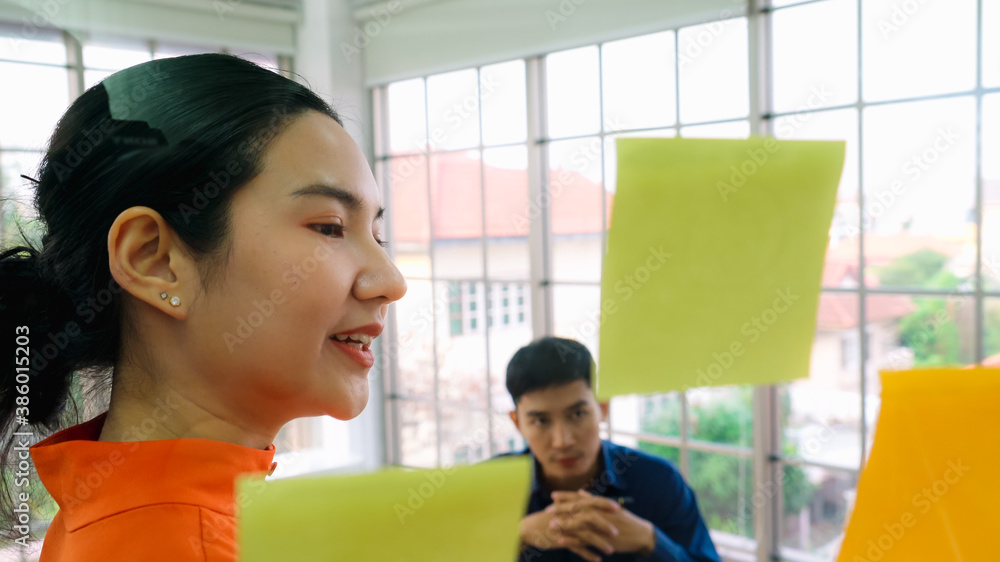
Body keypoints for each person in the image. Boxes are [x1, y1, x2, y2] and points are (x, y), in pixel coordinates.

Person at [0, 53, 407, 560]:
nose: (391, 282)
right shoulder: (188, 543)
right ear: (155, 260)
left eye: (377, 234)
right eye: (329, 227)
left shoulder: (126, 515)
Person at [497, 337, 720, 562]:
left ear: (602, 408)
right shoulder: (489, 488)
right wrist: (516, 536)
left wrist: (650, 540)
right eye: (541, 421)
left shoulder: (659, 482)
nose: (562, 441)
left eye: (577, 414)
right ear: (517, 423)